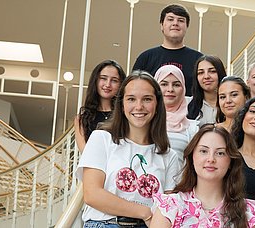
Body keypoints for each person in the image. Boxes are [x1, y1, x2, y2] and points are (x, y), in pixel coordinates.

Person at [77, 70, 183, 227]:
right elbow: (92, 194)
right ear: (122, 104)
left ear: (157, 104)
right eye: (131, 99)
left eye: (147, 99)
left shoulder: (169, 156)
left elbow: (168, 208)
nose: (139, 107)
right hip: (105, 223)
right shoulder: (101, 139)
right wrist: (145, 212)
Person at [150, 124, 255, 227]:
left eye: (220, 153)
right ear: (192, 157)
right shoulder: (169, 207)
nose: (211, 159)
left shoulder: (248, 212)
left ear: (230, 162)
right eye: (203, 151)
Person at [132, 4, 203, 96]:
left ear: (186, 27)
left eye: (181, 20)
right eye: (170, 19)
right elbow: (133, 89)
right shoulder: (145, 58)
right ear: (162, 25)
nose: (175, 23)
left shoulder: (199, 60)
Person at [74, 60, 126, 152]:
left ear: (121, 85)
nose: (108, 84)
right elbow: (85, 153)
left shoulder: (126, 115)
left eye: (114, 80)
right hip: (93, 165)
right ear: (95, 81)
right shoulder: (81, 119)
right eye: (103, 78)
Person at [155, 64, 198, 154]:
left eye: (176, 85)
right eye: (164, 84)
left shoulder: (192, 129)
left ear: (183, 89)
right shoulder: (145, 122)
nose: (170, 89)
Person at [187, 55, 226, 126]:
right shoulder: (187, 104)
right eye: (201, 73)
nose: (206, 76)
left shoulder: (230, 103)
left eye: (212, 71)